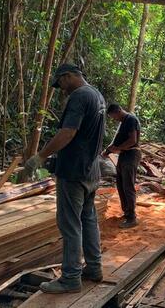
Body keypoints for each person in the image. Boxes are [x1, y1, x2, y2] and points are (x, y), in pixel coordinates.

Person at [24, 63, 106, 294]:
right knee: (88, 220)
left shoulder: (79, 96)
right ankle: (94, 268)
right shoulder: (96, 95)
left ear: (68, 76)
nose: (61, 89)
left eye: (60, 83)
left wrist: (39, 157)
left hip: (73, 172)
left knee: (70, 224)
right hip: (91, 171)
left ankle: (70, 278)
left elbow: (68, 132)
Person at [102, 104, 141, 229]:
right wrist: (108, 150)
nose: (115, 119)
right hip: (124, 155)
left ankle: (132, 217)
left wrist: (117, 148)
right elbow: (117, 141)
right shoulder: (123, 122)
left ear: (118, 111)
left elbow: (132, 141)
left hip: (131, 154)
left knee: (128, 186)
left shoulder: (131, 120)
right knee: (120, 184)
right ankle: (127, 212)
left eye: (114, 117)